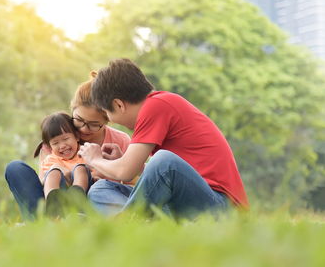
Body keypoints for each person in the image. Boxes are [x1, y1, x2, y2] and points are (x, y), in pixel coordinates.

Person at [79, 58, 249, 220]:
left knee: (163, 160)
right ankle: (143, 226)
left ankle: (126, 225)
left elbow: (126, 172)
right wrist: (121, 160)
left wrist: (95, 159)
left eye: (108, 113)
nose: (112, 120)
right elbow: (162, 178)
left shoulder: (156, 106)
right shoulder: (160, 103)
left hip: (221, 208)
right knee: (100, 189)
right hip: (187, 202)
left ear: (118, 105)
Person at [5, 74, 133, 219]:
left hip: (90, 201)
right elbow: (43, 181)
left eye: (93, 125)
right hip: (55, 197)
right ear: (72, 110)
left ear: (108, 119)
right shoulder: (57, 136)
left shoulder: (120, 140)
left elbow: (129, 184)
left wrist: (105, 173)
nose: (84, 129)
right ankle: (46, 220)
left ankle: (65, 220)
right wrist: (60, 174)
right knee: (15, 168)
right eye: (79, 120)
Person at [34, 112, 91, 203]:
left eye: (65, 139)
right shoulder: (51, 160)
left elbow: (97, 171)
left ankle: (77, 196)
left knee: (80, 168)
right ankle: (52, 202)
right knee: (53, 172)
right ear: (50, 146)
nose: (62, 146)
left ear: (76, 136)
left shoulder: (86, 152)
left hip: (86, 190)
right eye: (55, 143)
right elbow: (43, 180)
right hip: (61, 190)